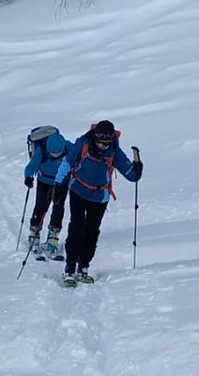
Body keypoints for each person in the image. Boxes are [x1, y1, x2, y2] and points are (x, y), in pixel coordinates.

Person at [54, 120, 142, 286]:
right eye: (100, 142)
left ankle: (84, 266)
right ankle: (70, 267)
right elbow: (67, 163)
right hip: (78, 190)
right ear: (95, 137)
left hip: (100, 196)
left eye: (106, 143)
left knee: (92, 231)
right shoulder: (83, 143)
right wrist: (59, 184)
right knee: (77, 227)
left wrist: (137, 169)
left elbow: (130, 175)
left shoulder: (114, 151)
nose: (102, 146)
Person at [22, 125, 70, 259]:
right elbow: (32, 165)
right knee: (41, 206)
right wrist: (28, 177)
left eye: (58, 153)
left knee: (58, 207)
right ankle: (34, 234)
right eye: (53, 153)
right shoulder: (41, 150)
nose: (55, 155)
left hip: (62, 182)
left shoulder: (68, 148)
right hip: (44, 181)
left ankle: (53, 236)